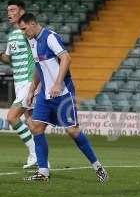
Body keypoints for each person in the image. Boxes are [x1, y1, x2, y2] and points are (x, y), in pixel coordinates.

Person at [18, 13, 108, 182]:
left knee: (72, 131)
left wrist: (58, 83)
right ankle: (43, 172)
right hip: (45, 95)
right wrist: (32, 89)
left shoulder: (50, 37)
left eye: (24, 29)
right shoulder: (31, 41)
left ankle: (98, 166)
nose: (23, 32)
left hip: (63, 93)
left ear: (32, 24)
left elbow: (66, 57)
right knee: (36, 128)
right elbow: (39, 67)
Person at [0, 0, 37, 168]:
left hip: (29, 81)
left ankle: (34, 154)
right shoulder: (12, 35)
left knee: (12, 117)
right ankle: (41, 159)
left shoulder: (27, 33)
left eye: (13, 10)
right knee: (30, 121)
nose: (9, 13)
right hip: (19, 83)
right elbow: (9, 60)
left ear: (21, 12)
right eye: (8, 10)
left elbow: (38, 54)